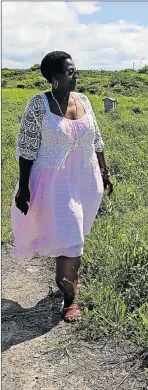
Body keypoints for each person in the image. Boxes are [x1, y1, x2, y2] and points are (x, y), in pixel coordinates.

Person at [11, 51, 113, 322]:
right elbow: (26, 149)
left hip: (86, 182)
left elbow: (97, 139)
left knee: (73, 235)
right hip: (55, 184)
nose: (75, 74)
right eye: (70, 71)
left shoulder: (84, 101)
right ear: (54, 77)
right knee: (72, 243)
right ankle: (70, 301)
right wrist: (24, 188)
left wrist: (105, 171)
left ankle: (65, 280)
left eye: (75, 70)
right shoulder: (39, 105)